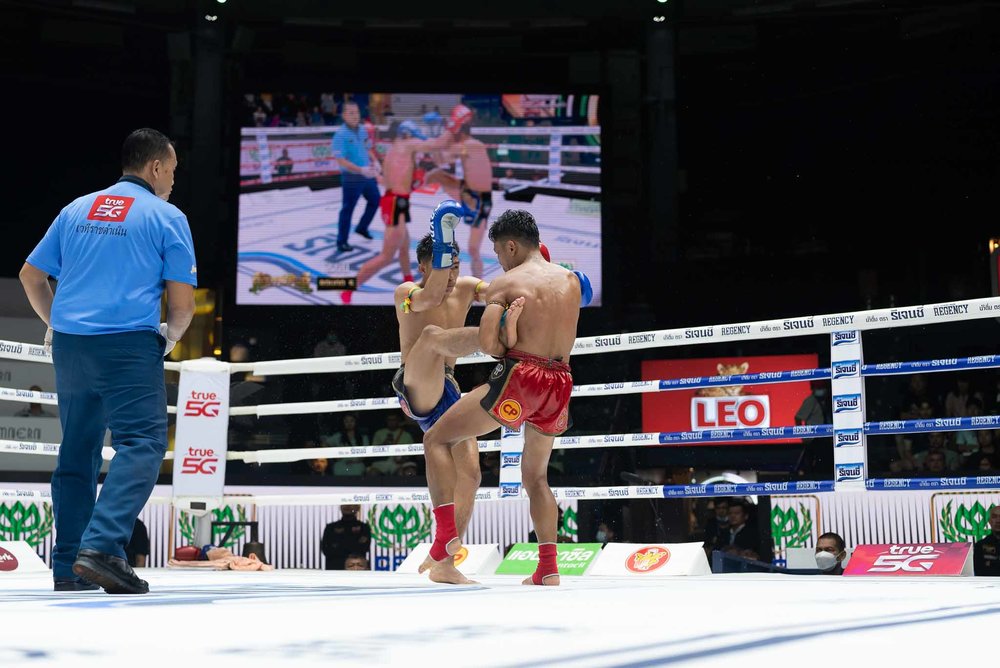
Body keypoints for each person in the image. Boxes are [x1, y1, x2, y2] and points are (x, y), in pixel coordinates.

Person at [19, 128, 196, 594]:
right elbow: (181, 306)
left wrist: (56, 321)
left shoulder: (76, 208)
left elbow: (31, 275)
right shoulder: (167, 215)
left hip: (72, 346)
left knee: (77, 449)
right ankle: (100, 548)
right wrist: (169, 338)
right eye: (173, 172)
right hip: (127, 345)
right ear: (156, 167)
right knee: (143, 442)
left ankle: (67, 565)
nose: (173, 182)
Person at [421, 209, 589, 586]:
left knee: (437, 438)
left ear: (511, 245)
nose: (498, 259)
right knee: (536, 476)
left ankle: (446, 537)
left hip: (521, 378)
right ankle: (548, 568)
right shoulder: (571, 281)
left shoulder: (505, 284)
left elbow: (489, 346)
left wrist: (507, 328)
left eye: (498, 251)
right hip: (561, 381)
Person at [389, 202, 501, 584]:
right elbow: (431, 297)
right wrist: (443, 238)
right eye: (443, 265)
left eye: (455, 266)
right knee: (434, 338)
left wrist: (545, 276)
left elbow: (500, 289)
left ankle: (446, 560)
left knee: (470, 474)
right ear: (424, 267)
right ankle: (496, 341)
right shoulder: (407, 292)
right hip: (416, 382)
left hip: (448, 388)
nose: (452, 275)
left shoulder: (468, 286)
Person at [341, 119, 456, 305]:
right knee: (387, 256)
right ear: (407, 133)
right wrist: (454, 125)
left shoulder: (393, 150)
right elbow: (437, 144)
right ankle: (348, 289)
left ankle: (407, 281)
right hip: (395, 202)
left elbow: (391, 182)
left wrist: (411, 183)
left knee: (404, 245)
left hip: (394, 200)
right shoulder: (407, 143)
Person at [425, 105, 494, 278]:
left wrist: (446, 130)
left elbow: (440, 152)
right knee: (436, 174)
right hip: (468, 193)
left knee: (473, 248)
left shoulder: (469, 145)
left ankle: (478, 282)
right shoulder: (464, 146)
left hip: (479, 201)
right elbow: (440, 157)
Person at [331, 100, 380, 252]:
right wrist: (360, 169)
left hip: (367, 174)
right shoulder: (340, 135)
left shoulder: (363, 130)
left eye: (357, 112)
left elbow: (368, 147)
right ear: (344, 115)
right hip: (352, 177)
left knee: (375, 200)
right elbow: (340, 160)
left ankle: (362, 227)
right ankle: (341, 241)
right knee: (348, 209)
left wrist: (375, 160)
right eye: (351, 113)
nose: (355, 115)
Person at [320, 504, 371, 570]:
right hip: (335, 569)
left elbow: (363, 548)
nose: (347, 506)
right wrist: (353, 542)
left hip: (356, 570)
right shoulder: (330, 527)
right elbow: (326, 550)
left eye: (351, 504)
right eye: (344, 504)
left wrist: (338, 545)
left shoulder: (364, 527)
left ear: (358, 507)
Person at [973, 505, 1000, 576]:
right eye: (994, 517)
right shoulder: (980, 545)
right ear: (989, 521)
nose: (998, 520)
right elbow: (979, 572)